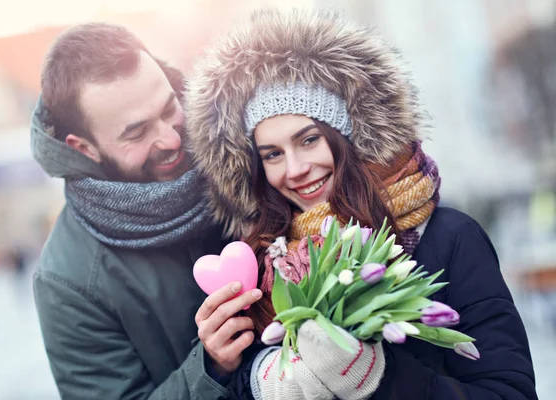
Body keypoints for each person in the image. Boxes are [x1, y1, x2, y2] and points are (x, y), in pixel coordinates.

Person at [185, 9, 538, 400]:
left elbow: (509, 392)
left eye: (308, 140)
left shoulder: (449, 238)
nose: (295, 170)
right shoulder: (262, 264)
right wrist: (242, 375)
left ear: (348, 136)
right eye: (272, 154)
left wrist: (380, 379)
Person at [31, 23, 261, 399]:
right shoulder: (67, 279)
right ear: (84, 148)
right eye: (136, 133)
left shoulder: (247, 152)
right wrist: (210, 368)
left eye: (170, 108)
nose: (171, 138)